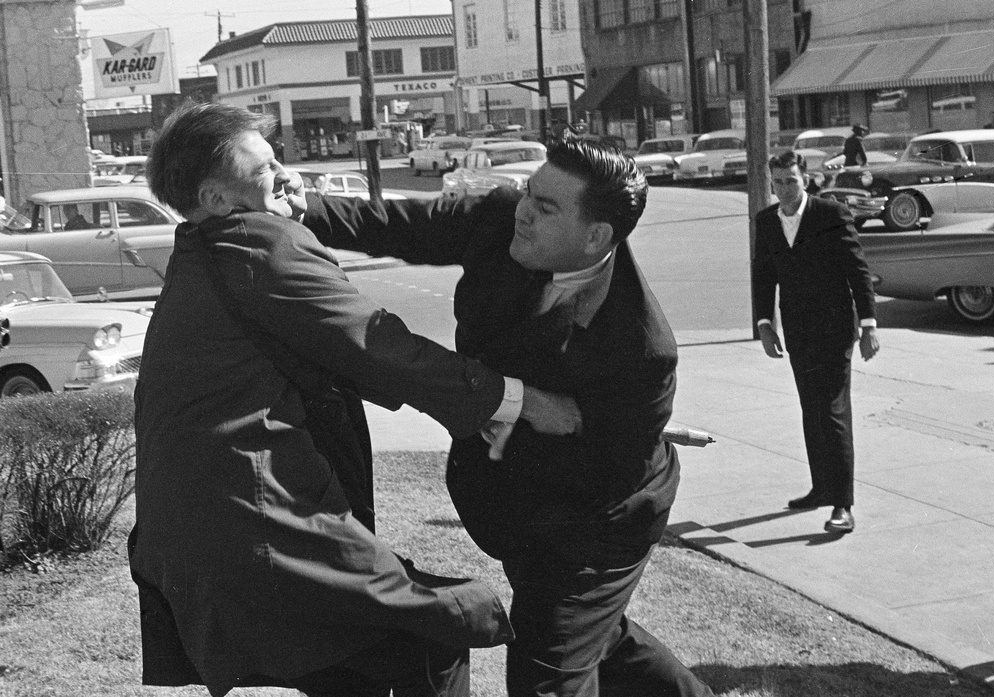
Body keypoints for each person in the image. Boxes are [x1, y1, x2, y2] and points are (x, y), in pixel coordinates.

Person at [129, 102, 582, 697]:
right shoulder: (263, 244)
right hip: (256, 528)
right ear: (217, 198)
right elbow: (377, 347)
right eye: (266, 170)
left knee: (351, 672)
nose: (290, 177)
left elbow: (340, 354)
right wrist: (518, 402)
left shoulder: (203, 248)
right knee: (439, 630)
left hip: (203, 534)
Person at [300, 137, 715, 697]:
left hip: (595, 522)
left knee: (550, 671)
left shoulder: (640, 346)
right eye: (528, 192)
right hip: (517, 501)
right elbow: (395, 222)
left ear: (596, 236)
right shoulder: (502, 219)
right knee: (605, 643)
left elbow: (608, 458)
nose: (523, 209)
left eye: (546, 208)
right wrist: (294, 205)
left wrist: (596, 421)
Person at [753, 150, 879, 535]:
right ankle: (822, 487)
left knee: (832, 411)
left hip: (835, 328)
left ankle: (843, 505)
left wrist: (869, 324)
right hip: (798, 331)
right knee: (811, 409)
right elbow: (763, 275)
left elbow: (858, 270)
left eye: (791, 180)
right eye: (777, 183)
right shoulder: (767, 221)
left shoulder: (830, 214)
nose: (784, 189)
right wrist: (764, 323)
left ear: (805, 179)